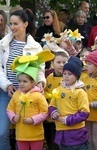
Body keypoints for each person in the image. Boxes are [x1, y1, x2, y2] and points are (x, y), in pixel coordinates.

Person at [0, 9, 46, 150]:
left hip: (29, 94)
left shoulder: (36, 46)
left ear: (25, 24)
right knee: (2, 133)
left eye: (16, 23)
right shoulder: (3, 45)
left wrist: (41, 82)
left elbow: (39, 68)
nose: (13, 27)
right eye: (11, 23)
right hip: (7, 93)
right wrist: (7, 86)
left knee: (26, 133)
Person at [6, 50, 54, 150]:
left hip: (36, 135)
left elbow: (45, 112)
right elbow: (9, 109)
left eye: (25, 81)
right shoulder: (16, 95)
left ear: (32, 82)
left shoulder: (38, 95)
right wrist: (13, 117)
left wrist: (33, 119)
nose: (21, 84)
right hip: (21, 135)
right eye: (19, 81)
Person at [49, 56, 90, 150]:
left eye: (70, 74)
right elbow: (52, 105)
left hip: (76, 134)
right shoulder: (57, 90)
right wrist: (53, 112)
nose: (66, 76)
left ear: (76, 75)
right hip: (61, 133)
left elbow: (84, 112)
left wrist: (68, 120)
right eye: (64, 73)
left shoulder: (80, 92)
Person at [44, 43, 69, 150]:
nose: (61, 65)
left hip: (63, 115)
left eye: (64, 62)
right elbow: (44, 91)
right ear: (52, 63)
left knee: (62, 140)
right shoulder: (49, 77)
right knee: (51, 139)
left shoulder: (68, 77)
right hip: (50, 115)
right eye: (58, 62)